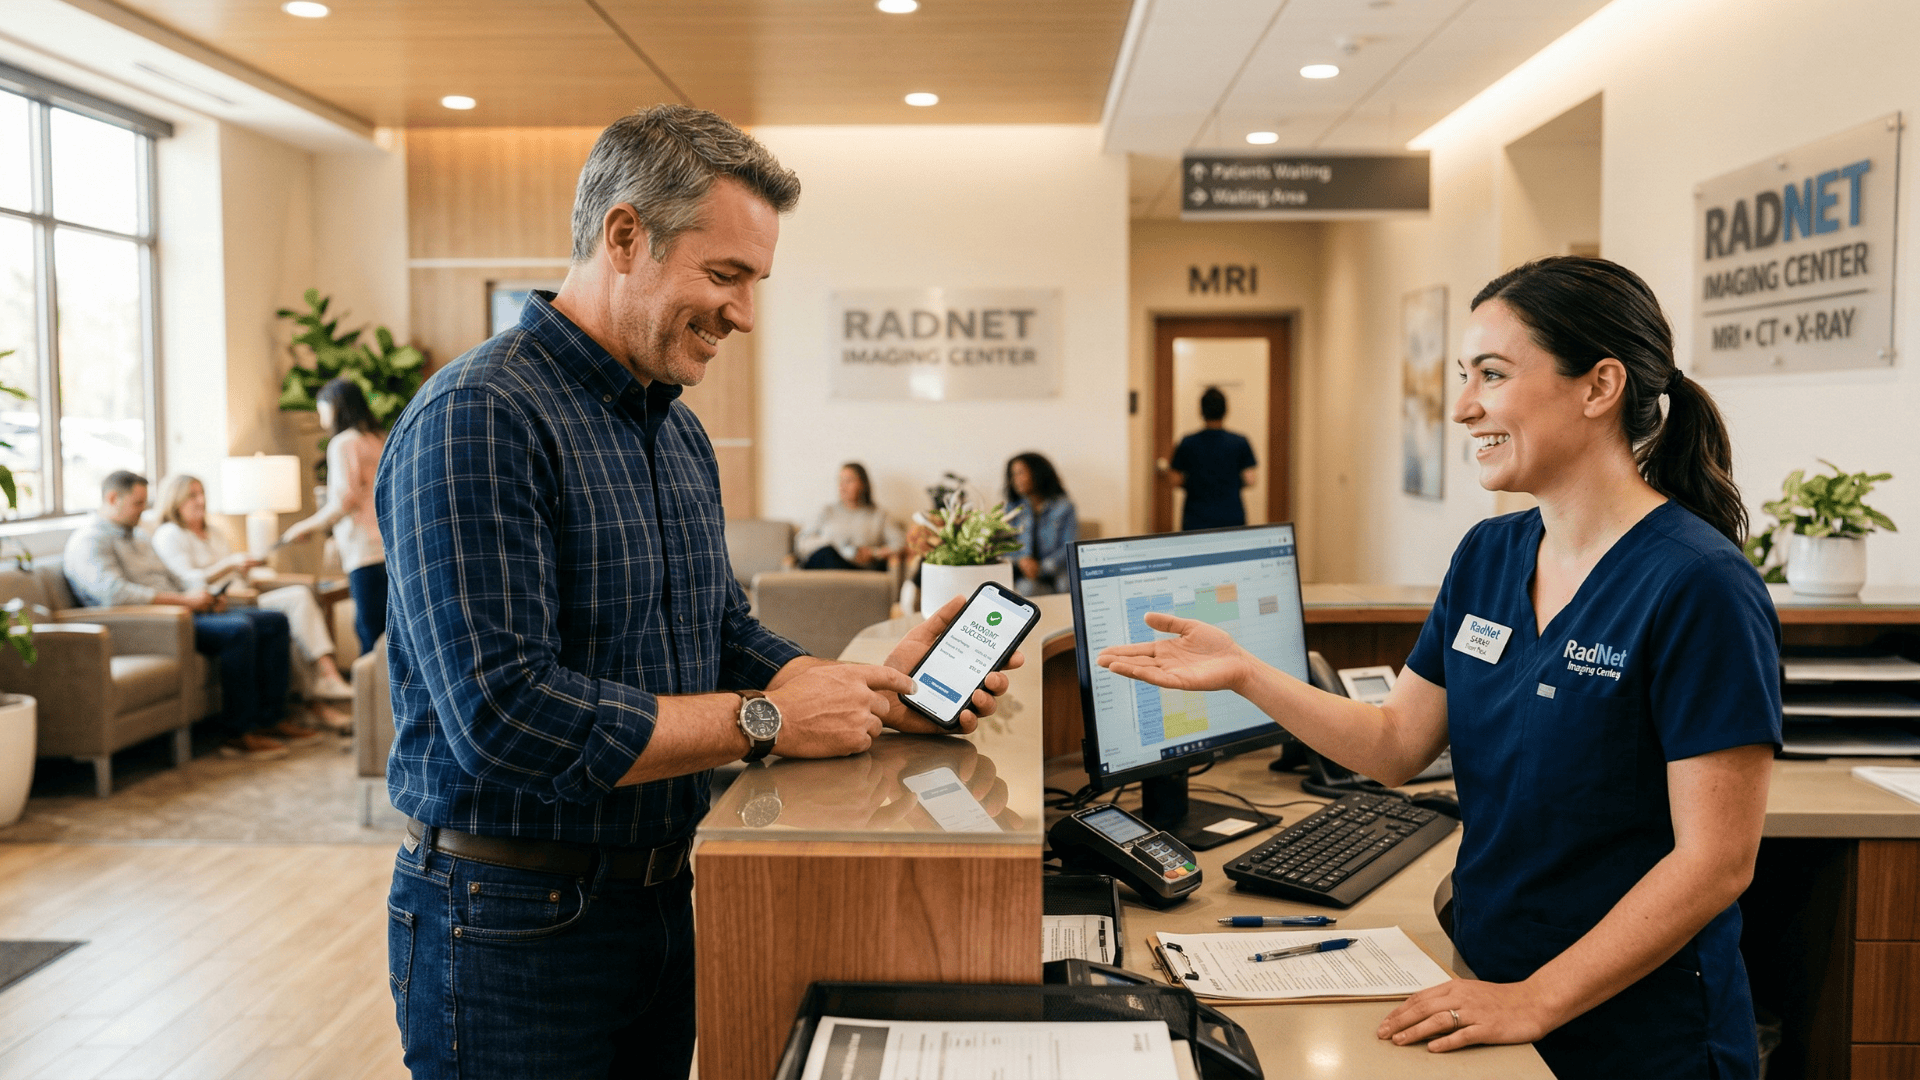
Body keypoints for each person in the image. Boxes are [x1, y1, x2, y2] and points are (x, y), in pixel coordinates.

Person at [376, 105, 1019, 1080]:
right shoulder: (480, 416)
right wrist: (770, 719)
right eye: (726, 275)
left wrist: (860, 692)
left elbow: (716, 630)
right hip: (508, 925)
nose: (745, 314)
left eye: (755, 282)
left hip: (662, 896)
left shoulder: (674, 430)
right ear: (624, 236)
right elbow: (504, 716)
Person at [1098, 257, 1779, 1079]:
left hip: (1637, 1031)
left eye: (1492, 374)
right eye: (1464, 375)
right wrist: (1247, 673)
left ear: (1599, 386)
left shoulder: (1699, 584)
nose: (1462, 408)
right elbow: (1395, 744)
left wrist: (1537, 998)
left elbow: (1715, 862)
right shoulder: (1489, 555)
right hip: (1490, 987)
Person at [64, 471, 320, 760]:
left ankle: (271, 718)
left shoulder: (140, 536)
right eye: (138, 504)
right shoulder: (89, 542)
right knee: (239, 630)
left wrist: (205, 596)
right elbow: (115, 594)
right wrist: (185, 601)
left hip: (179, 609)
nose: (144, 511)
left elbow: (175, 577)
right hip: (148, 625)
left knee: (273, 620)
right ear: (112, 499)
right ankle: (238, 733)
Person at [151, 473, 356, 705]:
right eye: (192, 496)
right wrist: (229, 564)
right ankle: (327, 677)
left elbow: (235, 572)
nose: (201, 501)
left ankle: (315, 694)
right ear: (175, 501)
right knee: (297, 599)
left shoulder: (215, 533)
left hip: (245, 593)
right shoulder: (169, 534)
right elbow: (187, 580)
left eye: (202, 494)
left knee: (294, 616)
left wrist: (248, 567)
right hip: (219, 602)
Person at [281, 378, 386, 656]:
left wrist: (304, 527)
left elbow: (343, 501)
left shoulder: (342, 443)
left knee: (368, 629)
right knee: (388, 630)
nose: (321, 417)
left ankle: (369, 686)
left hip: (364, 549)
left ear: (335, 407)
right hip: (388, 545)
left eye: (322, 409)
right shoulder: (377, 439)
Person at [1166, 386, 1257, 530]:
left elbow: (1174, 479)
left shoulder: (1188, 443)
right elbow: (1250, 480)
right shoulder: (1240, 442)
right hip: (1231, 515)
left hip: (1196, 517)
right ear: (1225, 411)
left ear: (1201, 411)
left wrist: (1193, 482)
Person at [794, 462, 902, 570]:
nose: (843, 486)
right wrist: (834, 545)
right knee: (826, 553)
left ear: (863, 484)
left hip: (859, 568)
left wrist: (874, 553)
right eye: (840, 481)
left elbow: (900, 543)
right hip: (827, 563)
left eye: (849, 481)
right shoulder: (827, 511)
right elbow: (802, 542)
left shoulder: (879, 515)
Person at [1004, 452, 1077, 595]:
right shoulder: (1012, 509)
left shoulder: (1064, 507)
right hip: (1023, 573)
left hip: (1055, 571)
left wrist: (1041, 567)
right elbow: (1005, 547)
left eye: (1021, 473)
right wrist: (1021, 561)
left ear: (1037, 473)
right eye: (1013, 475)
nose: (1016, 480)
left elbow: (1069, 548)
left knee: (1066, 584)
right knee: (1026, 588)